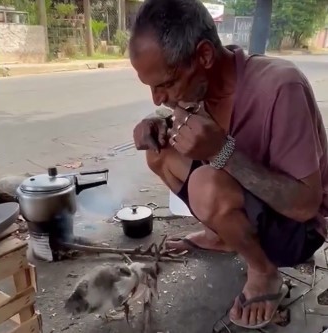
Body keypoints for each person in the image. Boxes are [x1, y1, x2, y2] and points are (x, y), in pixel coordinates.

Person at [130, 0, 328, 329]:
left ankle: (264, 271)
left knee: (206, 183)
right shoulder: (193, 93)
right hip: (249, 208)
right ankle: (224, 235)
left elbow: (305, 206)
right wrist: (156, 123)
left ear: (205, 56)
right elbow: (170, 118)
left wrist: (223, 152)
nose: (159, 97)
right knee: (159, 152)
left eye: (165, 83)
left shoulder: (281, 87)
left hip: (296, 231)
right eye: (151, 88)